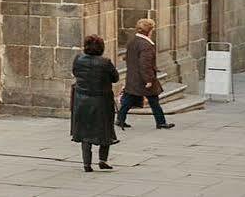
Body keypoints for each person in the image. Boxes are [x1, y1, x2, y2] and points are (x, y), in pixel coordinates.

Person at [71, 33, 120, 172]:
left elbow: (75, 73)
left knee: (85, 130)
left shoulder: (78, 59)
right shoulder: (105, 62)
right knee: (105, 129)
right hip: (101, 100)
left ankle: (87, 164)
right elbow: (115, 78)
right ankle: (102, 160)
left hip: (82, 99)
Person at [117, 18, 174, 130]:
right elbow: (145, 64)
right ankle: (161, 122)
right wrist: (148, 79)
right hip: (142, 78)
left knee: (129, 100)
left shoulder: (133, 41)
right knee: (153, 100)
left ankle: (120, 119)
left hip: (133, 77)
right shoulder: (146, 45)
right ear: (149, 31)